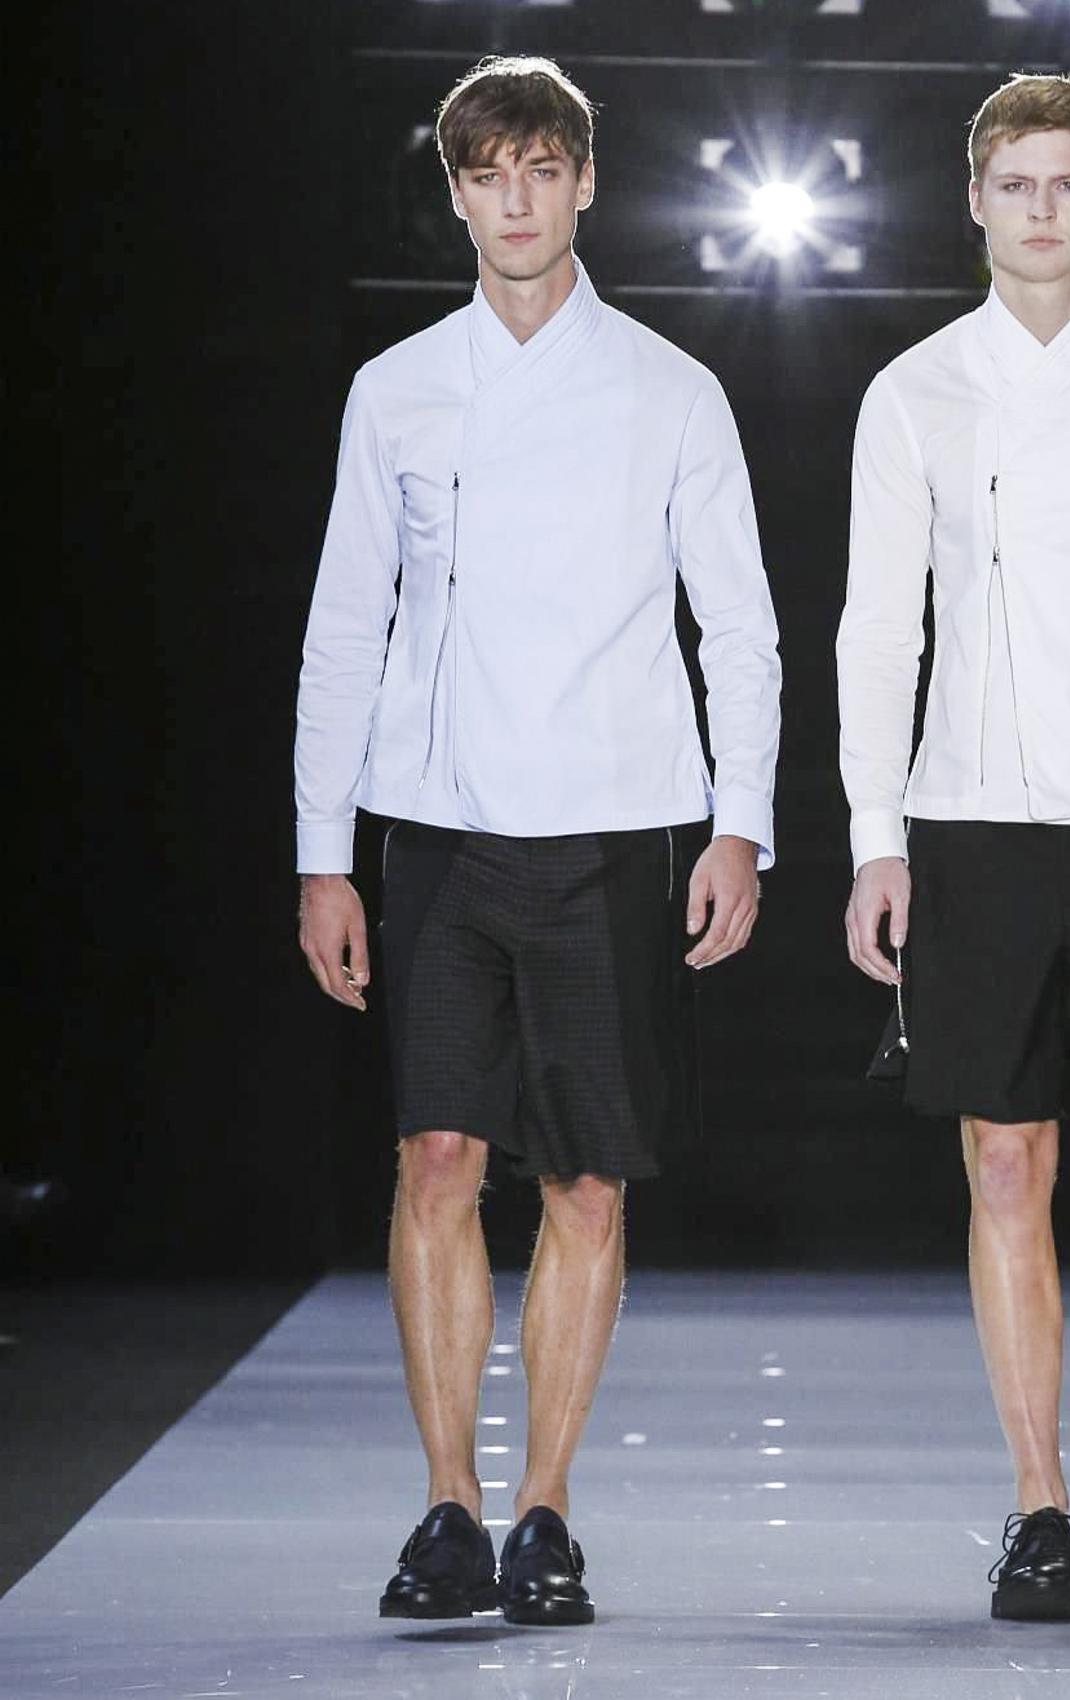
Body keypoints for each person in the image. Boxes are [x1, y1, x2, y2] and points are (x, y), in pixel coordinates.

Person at [295, 55, 781, 1625]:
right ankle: (447, 1506)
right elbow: (343, 629)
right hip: (438, 833)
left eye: (541, 169)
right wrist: (322, 851)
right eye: (486, 173)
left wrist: (740, 825)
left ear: (584, 182)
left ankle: (544, 1511)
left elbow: (739, 628)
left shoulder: (668, 389)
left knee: (581, 1181)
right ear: (454, 195)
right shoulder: (397, 388)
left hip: (611, 833)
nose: (515, 199)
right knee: (436, 1158)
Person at [838, 72, 1070, 1621]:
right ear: (972, 199)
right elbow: (877, 629)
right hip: (967, 824)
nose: (1039, 208)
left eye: (1066, 182)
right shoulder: (916, 392)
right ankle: (1035, 1505)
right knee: (1007, 1164)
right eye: (1013, 182)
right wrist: (871, 837)